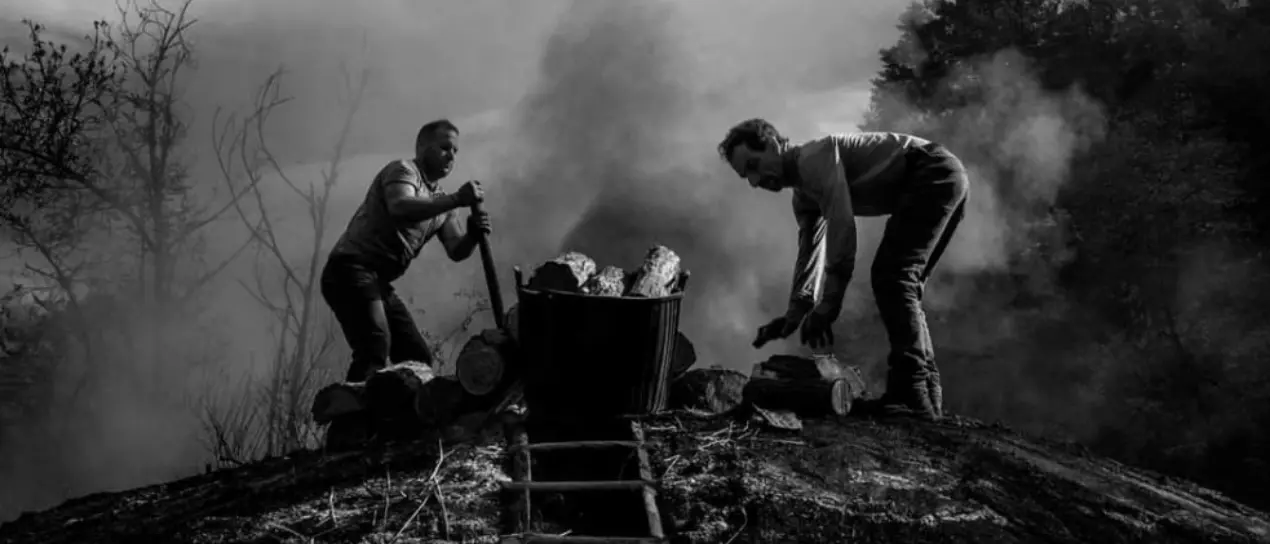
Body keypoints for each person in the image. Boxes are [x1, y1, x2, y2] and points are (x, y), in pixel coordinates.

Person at [718, 119, 969, 420]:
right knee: (903, 282)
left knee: (893, 277)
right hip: (943, 174)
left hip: (932, 172)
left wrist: (829, 306)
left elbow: (842, 230)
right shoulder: (803, 196)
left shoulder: (813, 160)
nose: (755, 182)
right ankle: (926, 394)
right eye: (746, 176)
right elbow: (810, 257)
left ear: (772, 144)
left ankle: (912, 393)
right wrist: (792, 317)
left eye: (754, 166)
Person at [321, 119, 493, 382]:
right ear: (422, 146)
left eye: (455, 151)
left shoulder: (443, 203)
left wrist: (471, 233)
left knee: (416, 358)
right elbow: (401, 207)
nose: (451, 156)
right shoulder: (403, 170)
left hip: (377, 280)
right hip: (349, 269)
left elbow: (457, 250)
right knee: (375, 344)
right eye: (445, 147)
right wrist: (457, 199)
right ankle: (353, 418)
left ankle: (398, 416)